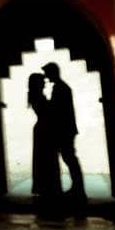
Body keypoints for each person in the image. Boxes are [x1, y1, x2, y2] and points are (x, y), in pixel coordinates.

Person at [43, 62, 86, 204]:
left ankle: (78, 189)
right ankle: (77, 188)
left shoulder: (60, 88)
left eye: (47, 73)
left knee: (69, 158)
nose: (46, 76)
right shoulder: (62, 87)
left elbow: (56, 110)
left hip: (64, 130)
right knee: (70, 158)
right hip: (66, 129)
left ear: (53, 73)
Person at [28, 73, 61, 199]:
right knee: (47, 159)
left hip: (42, 129)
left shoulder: (35, 95)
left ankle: (44, 187)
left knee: (43, 159)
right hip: (44, 130)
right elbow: (47, 111)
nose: (44, 83)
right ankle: (48, 187)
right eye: (42, 81)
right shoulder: (38, 96)